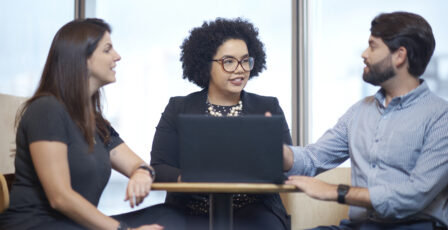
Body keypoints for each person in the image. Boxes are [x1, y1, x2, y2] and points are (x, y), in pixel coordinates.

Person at [0, 18, 185, 230]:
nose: (117, 56)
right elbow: (60, 197)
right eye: (108, 50)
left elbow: (136, 164)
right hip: (39, 224)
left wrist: (142, 173)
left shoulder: (95, 122)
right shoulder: (47, 110)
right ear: (83, 58)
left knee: (171, 216)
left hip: (77, 225)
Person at [283, 11, 448, 230]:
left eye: (372, 46)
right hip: (359, 226)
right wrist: (279, 152)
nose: (364, 54)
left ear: (399, 56)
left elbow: (414, 195)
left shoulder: (441, 117)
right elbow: (313, 159)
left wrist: (336, 191)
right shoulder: (360, 112)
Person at [150, 18, 292, 230]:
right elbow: (159, 167)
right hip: (188, 211)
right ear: (206, 64)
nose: (240, 69)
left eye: (245, 60)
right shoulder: (179, 107)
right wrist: (190, 179)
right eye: (228, 61)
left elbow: (288, 168)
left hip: (255, 211)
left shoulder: (268, 107)